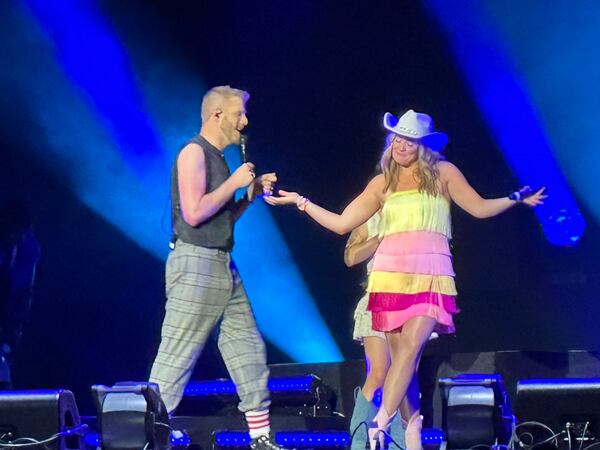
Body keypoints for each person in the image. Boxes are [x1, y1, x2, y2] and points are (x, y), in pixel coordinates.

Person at [265, 109, 546, 450]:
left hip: (431, 275)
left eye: (410, 141)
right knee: (404, 365)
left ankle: (379, 422)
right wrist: (301, 202)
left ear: (423, 146)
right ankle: (411, 428)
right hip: (389, 279)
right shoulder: (382, 182)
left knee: (412, 348)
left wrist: (515, 198)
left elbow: (478, 208)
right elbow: (341, 224)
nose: (401, 145)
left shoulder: (443, 174)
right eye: (398, 138)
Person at [149, 86, 282, 450]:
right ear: (217, 115)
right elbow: (193, 213)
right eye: (239, 113)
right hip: (196, 264)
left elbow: (219, 218)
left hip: (222, 262)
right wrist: (235, 183)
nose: (245, 120)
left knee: (248, 348)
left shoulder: (220, 159)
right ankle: (147, 436)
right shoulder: (194, 152)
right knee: (176, 356)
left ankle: (261, 438)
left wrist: (248, 195)